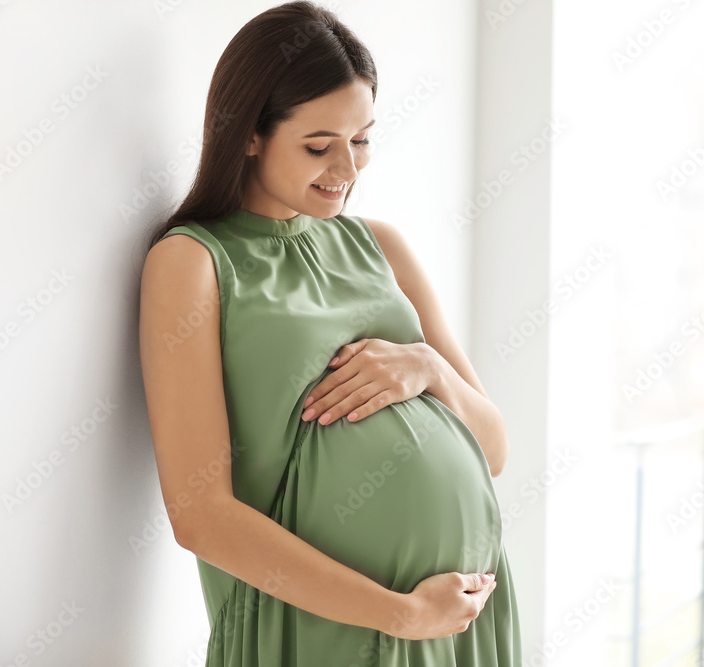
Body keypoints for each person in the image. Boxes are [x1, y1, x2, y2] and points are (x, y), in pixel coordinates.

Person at [138, 2, 522, 665]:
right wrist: (401, 614)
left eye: (363, 138)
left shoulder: (382, 247)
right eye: (319, 145)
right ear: (250, 133)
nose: (347, 168)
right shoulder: (194, 262)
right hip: (324, 629)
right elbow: (199, 513)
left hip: (462, 618)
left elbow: (492, 448)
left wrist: (427, 367)